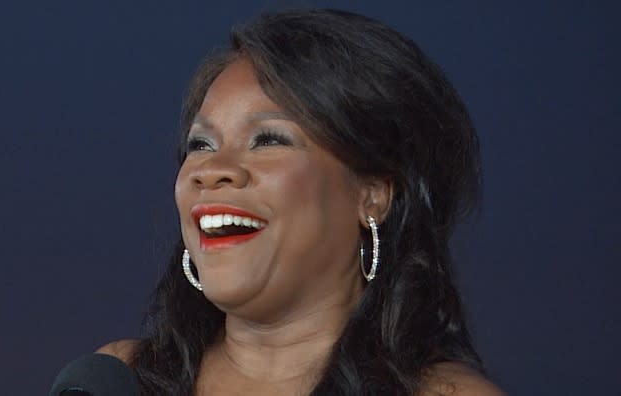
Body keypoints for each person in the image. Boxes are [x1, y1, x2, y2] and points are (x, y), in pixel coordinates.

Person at [98, 8, 505, 396]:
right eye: (201, 144)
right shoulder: (118, 381)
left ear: (374, 194)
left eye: (269, 139)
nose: (211, 170)